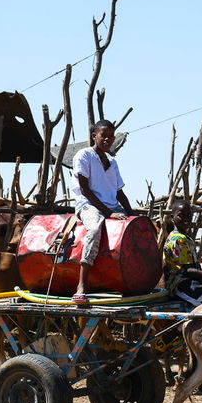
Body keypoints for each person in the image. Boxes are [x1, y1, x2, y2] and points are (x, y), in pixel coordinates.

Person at [72, 119, 135, 303]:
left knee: (137, 227)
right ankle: (81, 285)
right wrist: (108, 213)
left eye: (110, 136)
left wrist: (131, 213)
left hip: (111, 206)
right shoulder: (84, 156)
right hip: (89, 205)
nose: (108, 139)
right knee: (94, 229)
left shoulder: (112, 161)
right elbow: (85, 189)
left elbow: (118, 191)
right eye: (103, 135)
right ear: (94, 136)